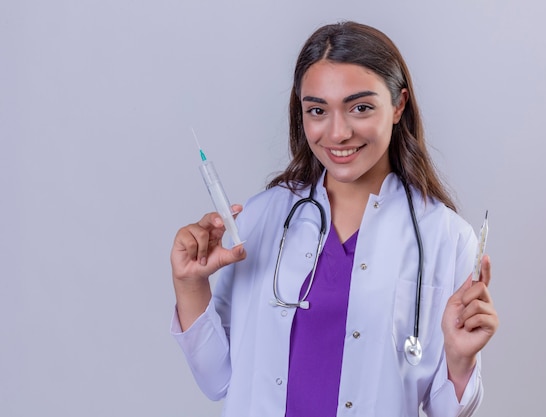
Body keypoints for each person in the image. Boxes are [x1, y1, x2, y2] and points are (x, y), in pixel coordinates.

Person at [170, 21, 498, 417]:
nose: (338, 133)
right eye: (318, 110)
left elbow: (446, 410)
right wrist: (190, 285)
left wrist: (460, 362)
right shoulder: (260, 218)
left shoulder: (446, 238)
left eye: (360, 107)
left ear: (398, 106)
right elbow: (218, 379)